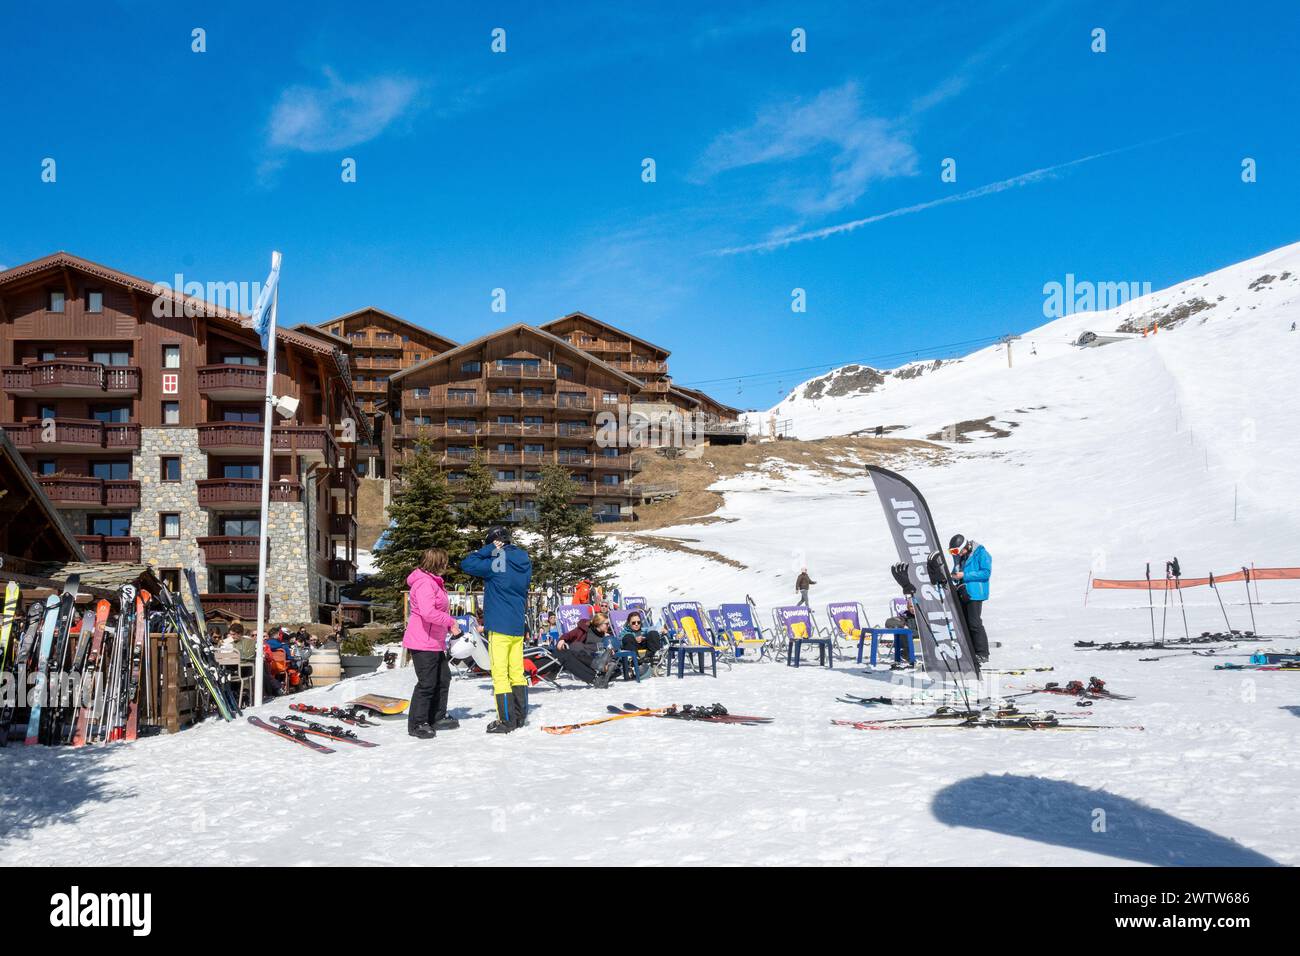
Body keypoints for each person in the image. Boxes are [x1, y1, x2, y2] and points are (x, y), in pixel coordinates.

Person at [461, 525, 533, 733]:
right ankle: (520, 717)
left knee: (500, 674)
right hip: (517, 624)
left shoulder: (496, 560)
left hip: (499, 625)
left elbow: (467, 564)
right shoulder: (524, 560)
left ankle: (506, 720)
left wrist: (488, 550)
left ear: (494, 542)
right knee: (517, 672)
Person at [404, 547, 463, 739]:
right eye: (444, 562)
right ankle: (417, 723)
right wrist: (450, 622)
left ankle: (436, 716)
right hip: (422, 641)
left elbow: (437, 612)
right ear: (437, 563)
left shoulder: (435, 583)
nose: (447, 565)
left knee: (443, 678)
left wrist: (448, 626)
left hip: (434, 641)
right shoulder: (424, 584)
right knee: (427, 683)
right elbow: (428, 613)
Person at [949, 534, 992, 662]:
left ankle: (983, 653)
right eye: (953, 552)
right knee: (965, 623)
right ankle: (971, 651)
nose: (957, 554)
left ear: (965, 546)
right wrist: (953, 575)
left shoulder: (981, 553)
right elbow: (957, 570)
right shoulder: (960, 556)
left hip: (975, 593)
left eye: (957, 551)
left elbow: (986, 573)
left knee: (974, 623)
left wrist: (964, 575)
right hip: (963, 592)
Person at [555, 612, 618, 688]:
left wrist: (610, 647)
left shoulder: (606, 636)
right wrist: (562, 639)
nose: (608, 626)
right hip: (583, 656)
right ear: (599, 623)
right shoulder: (584, 630)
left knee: (612, 663)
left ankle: (604, 674)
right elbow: (569, 635)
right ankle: (601, 672)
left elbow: (613, 647)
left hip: (600, 658)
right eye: (606, 624)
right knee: (577, 645)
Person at [619, 611, 662, 679]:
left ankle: (655, 660)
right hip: (633, 653)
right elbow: (621, 644)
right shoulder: (624, 633)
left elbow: (652, 630)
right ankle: (635, 663)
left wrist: (646, 637)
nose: (636, 624)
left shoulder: (644, 630)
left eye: (638, 622)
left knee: (653, 633)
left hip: (647, 654)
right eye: (633, 623)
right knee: (628, 637)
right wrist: (634, 639)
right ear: (628, 623)